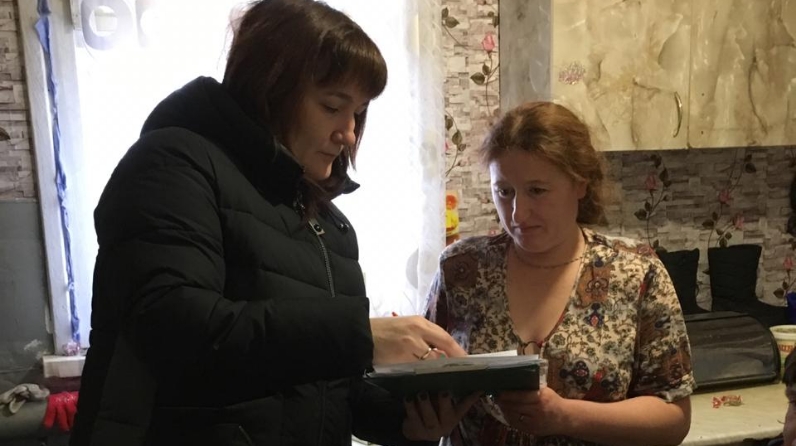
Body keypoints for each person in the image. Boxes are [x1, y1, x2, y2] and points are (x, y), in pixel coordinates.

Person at [69, 1, 477, 445]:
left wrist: (407, 422)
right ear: (271, 88)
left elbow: (327, 389)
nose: (349, 133)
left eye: (358, 112)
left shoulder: (329, 226)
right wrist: (361, 335)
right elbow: (172, 328)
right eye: (332, 106)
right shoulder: (172, 164)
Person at [426, 101, 694, 446]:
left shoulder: (636, 272)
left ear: (580, 184)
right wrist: (425, 422)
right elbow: (426, 380)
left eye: (537, 190)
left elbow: (674, 417)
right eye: (504, 191)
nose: (518, 214)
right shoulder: (461, 269)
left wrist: (565, 416)